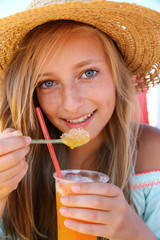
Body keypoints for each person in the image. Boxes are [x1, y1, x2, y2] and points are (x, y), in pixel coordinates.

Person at [0, 0, 160, 239]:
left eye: (88, 73)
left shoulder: (154, 153)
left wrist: (134, 233)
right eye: (48, 83)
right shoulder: (10, 162)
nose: (71, 104)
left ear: (119, 75)